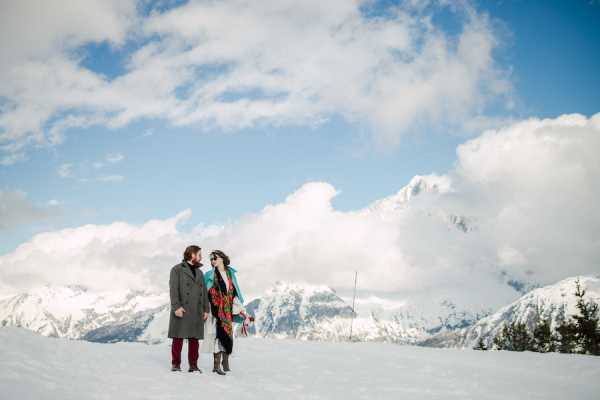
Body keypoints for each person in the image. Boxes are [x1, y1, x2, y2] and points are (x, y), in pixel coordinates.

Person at [203, 250, 247, 375]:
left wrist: (239, 307)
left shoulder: (230, 273)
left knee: (228, 334)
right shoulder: (209, 275)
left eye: (214, 258)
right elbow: (206, 292)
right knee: (217, 335)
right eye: (211, 259)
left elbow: (235, 291)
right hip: (215, 309)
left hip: (227, 308)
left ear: (222, 258)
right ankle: (216, 365)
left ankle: (225, 362)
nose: (212, 261)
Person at [168, 245, 209, 372]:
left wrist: (206, 310)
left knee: (194, 339)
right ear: (192, 255)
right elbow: (173, 290)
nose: (201, 257)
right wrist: (176, 307)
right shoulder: (177, 270)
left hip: (197, 310)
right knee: (178, 338)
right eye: (199, 254)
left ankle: (193, 365)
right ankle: (176, 364)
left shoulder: (200, 272)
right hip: (182, 308)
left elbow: (204, 293)